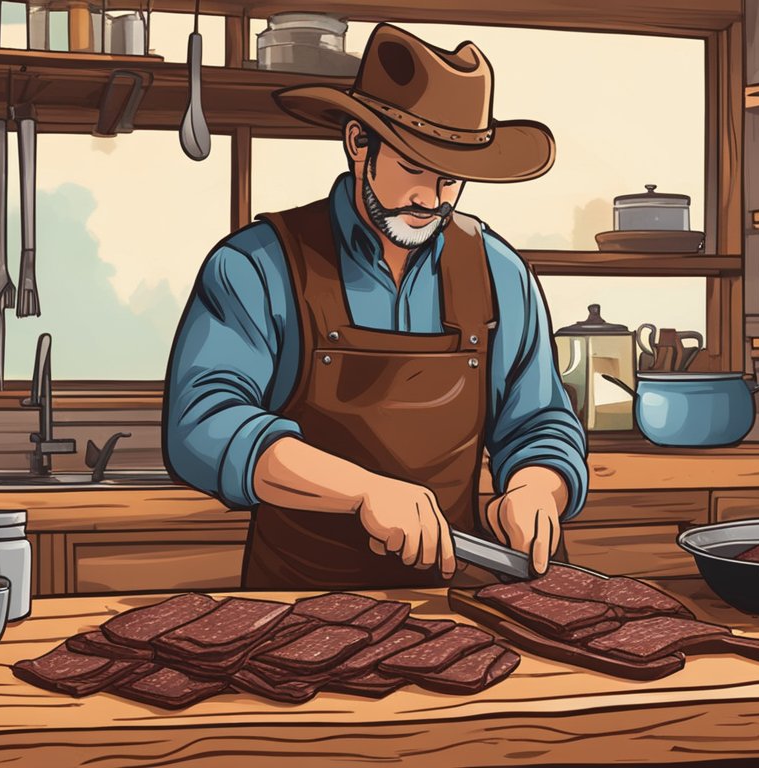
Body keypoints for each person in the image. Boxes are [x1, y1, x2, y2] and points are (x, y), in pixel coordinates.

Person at [163, 23, 588, 589]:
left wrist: (537, 485)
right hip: (298, 605)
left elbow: (540, 421)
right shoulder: (258, 265)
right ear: (359, 143)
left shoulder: (497, 271)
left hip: (449, 603)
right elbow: (203, 424)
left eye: (450, 178)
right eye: (414, 166)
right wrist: (362, 491)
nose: (432, 199)